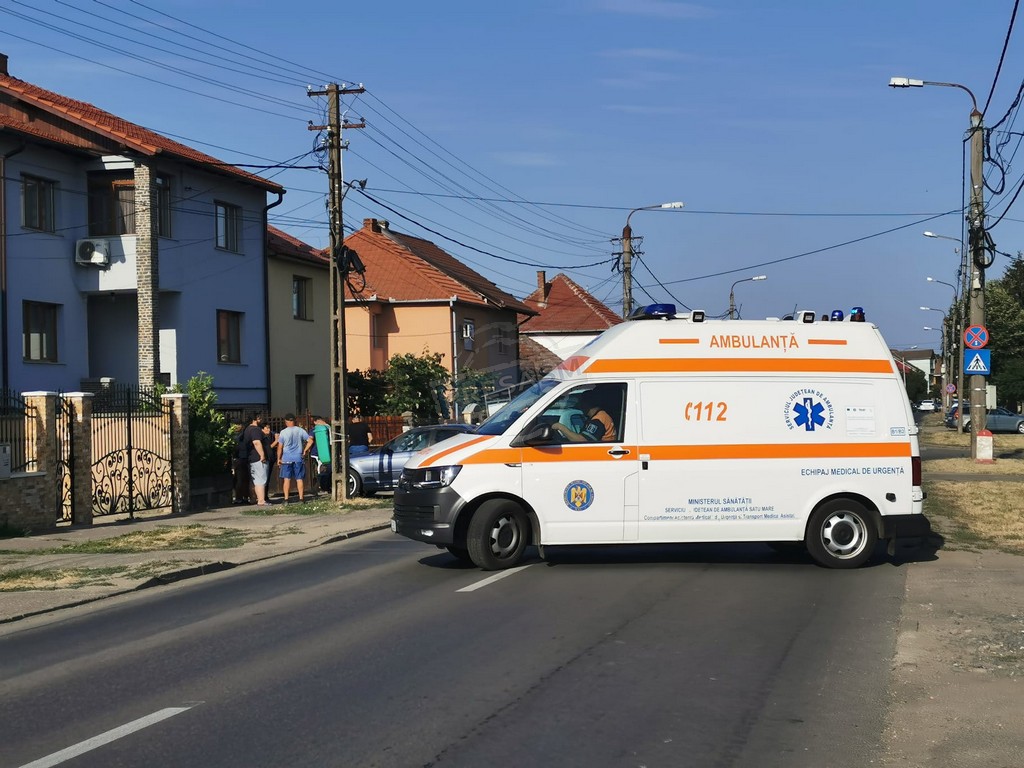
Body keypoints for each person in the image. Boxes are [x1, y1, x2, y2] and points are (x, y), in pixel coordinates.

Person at [550, 392, 617, 443]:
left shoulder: (598, 420)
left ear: (587, 404)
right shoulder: (600, 416)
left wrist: (560, 427)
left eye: (581, 403)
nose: (580, 406)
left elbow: (583, 440)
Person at [276, 413, 314, 503]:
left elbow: (280, 447)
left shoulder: (283, 432)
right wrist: (305, 450)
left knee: (286, 479)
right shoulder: (300, 430)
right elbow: (310, 441)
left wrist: (278, 458)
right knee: (299, 479)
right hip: (298, 457)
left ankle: (286, 499)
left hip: (286, 458)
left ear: (286, 421)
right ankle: (301, 498)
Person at [242, 412, 271, 506]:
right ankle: (261, 500)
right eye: (259, 418)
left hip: (252, 457)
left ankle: (259, 499)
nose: (261, 419)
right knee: (261, 479)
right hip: (258, 458)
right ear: (254, 419)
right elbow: (257, 442)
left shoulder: (248, 429)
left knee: (257, 479)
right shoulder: (255, 429)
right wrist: (262, 455)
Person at [231, 420, 251, 504]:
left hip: (243, 458)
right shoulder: (236, 435)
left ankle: (243, 497)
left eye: (238, 424)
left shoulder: (240, 435)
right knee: (241, 479)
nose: (237, 426)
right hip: (240, 458)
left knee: (243, 479)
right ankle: (240, 497)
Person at [261, 421, 280, 498]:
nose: (269, 430)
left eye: (269, 428)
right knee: (264, 477)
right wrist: (276, 441)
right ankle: (263, 496)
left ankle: (265, 495)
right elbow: (269, 447)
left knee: (268, 477)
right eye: (267, 428)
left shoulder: (271, 435)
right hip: (265, 458)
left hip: (271, 458)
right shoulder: (262, 437)